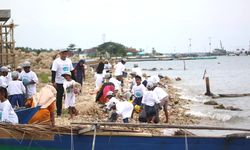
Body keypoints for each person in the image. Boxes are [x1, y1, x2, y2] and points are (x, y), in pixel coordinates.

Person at [51, 49, 74, 117]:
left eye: (65, 53)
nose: (64, 55)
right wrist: (53, 81)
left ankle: (70, 111)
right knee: (59, 97)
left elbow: (72, 70)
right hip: (59, 82)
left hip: (68, 82)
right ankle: (59, 113)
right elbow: (53, 72)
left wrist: (74, 81)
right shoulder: (56, 61)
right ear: (60, 54)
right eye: (63, 53)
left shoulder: (69, 60)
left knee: (69, 96)